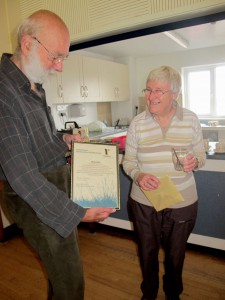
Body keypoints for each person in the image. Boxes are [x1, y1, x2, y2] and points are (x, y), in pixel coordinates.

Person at [0, 10, 116, 300]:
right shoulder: (4, 94)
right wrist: (78, 213)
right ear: (28, 44)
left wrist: (63, 138)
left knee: (60, 272)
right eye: (55, 57)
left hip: (53, 186)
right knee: (70, 280)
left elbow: (37, 138)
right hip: (34, 195)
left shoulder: (33, 85)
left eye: (63, 58)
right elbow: (22, 174)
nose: (59, 67)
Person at [122, 65, 206, 300]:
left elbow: (201, 155)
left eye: (159, 91)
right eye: (148, 90)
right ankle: (149, 293)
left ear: (175, 95)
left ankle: (172, 293)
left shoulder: (191, 120)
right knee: (147, 252)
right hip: (144, 201)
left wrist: (194, 161)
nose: (151, 96)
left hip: (181, 200)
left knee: (175, 254)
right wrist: (138, 175)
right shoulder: (137, 123)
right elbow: (128, 161)